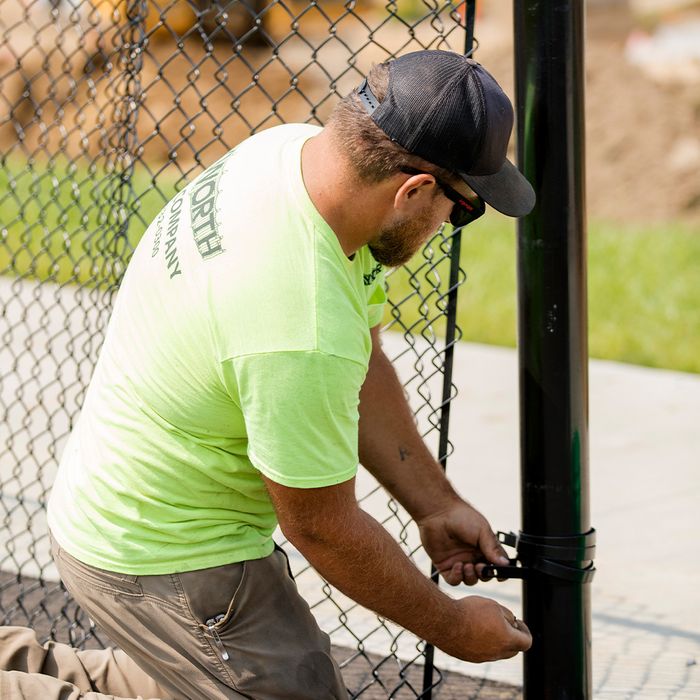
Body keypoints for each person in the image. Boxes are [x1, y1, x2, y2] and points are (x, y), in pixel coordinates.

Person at [0, 49, 535, 700]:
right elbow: (323, 529)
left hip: (122, 506)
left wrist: (435, 503)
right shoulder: (300, 316)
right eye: (464, 206)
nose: (452, 224)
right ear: (415, 190)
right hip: (166, 554)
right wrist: (451, 626)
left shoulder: (290, 157)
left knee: (191, 679)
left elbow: (364, 369)